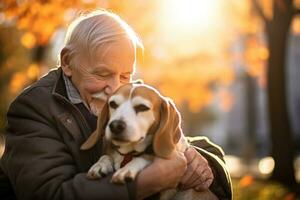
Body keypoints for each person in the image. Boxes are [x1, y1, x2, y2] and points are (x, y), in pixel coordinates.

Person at [0, 10, 232, 200]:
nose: (115, 88)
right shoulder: (33, 108)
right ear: (68, 62)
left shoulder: (131, 95)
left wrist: (199, 162)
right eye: (102, 74)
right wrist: (141, 183)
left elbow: (178, 140)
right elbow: (49, 193)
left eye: (125, 75)